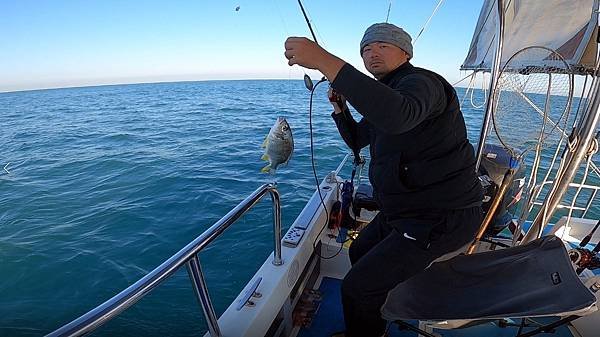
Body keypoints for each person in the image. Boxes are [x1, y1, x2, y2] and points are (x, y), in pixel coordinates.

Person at [284, 23, 484, 337]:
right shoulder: (387, 95)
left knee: (357, 288)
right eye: (365, 49)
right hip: (403, 212)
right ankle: (379, 309)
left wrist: (323, 59)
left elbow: (398, 115)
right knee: (358, 250)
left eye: (382, 46)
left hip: (441, 216)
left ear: (406, 52)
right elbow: (358, 139)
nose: (371, 53)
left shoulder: (423, 83)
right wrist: (340, 110)